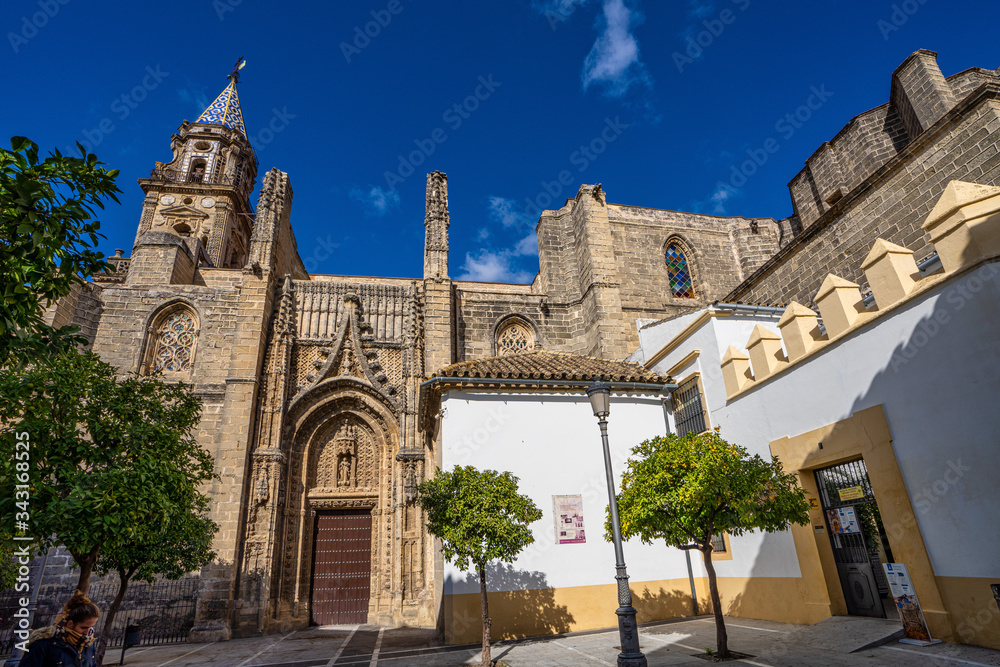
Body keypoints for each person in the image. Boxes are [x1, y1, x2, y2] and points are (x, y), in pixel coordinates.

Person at [19, 589, 100, 667]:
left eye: (91, 627)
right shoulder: (43, 644)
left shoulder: (88, 644)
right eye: (83, 628)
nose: (87, 632)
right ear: (70, 624)